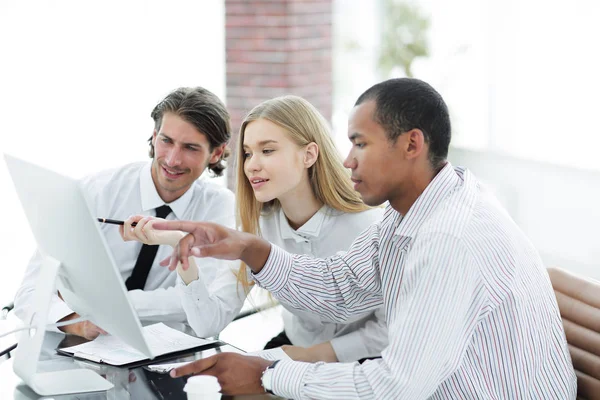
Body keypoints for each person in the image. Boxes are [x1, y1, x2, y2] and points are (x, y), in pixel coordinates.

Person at [153, 78, 577, 398]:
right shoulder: (407, 215)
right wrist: (252, 249)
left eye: (360, 144)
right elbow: (339, 288)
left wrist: (268, 373)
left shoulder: (450, 237)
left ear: (412, 144)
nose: (347, 160)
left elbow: (394, 385)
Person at [122, 95, 387, 363]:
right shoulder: (257, 228)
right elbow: (208, 323)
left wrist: (313, 356)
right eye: (248, 153)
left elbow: (392, 328)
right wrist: (181, 250)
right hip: (293, 347)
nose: (252, 165)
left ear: (309, 155)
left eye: (267, 150)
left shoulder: (368, 226)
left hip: (365, 359)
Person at [13, 86, 240, 340]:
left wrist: (103, 304)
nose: (173, 160)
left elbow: (199, 302)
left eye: (190, 148)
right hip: (80, 347)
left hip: (169, 357)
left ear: (216, 153)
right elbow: (30, 291)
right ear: (154, 136)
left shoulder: (219, 207)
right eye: (166, 141)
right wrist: (75, 323)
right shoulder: (95, 191)